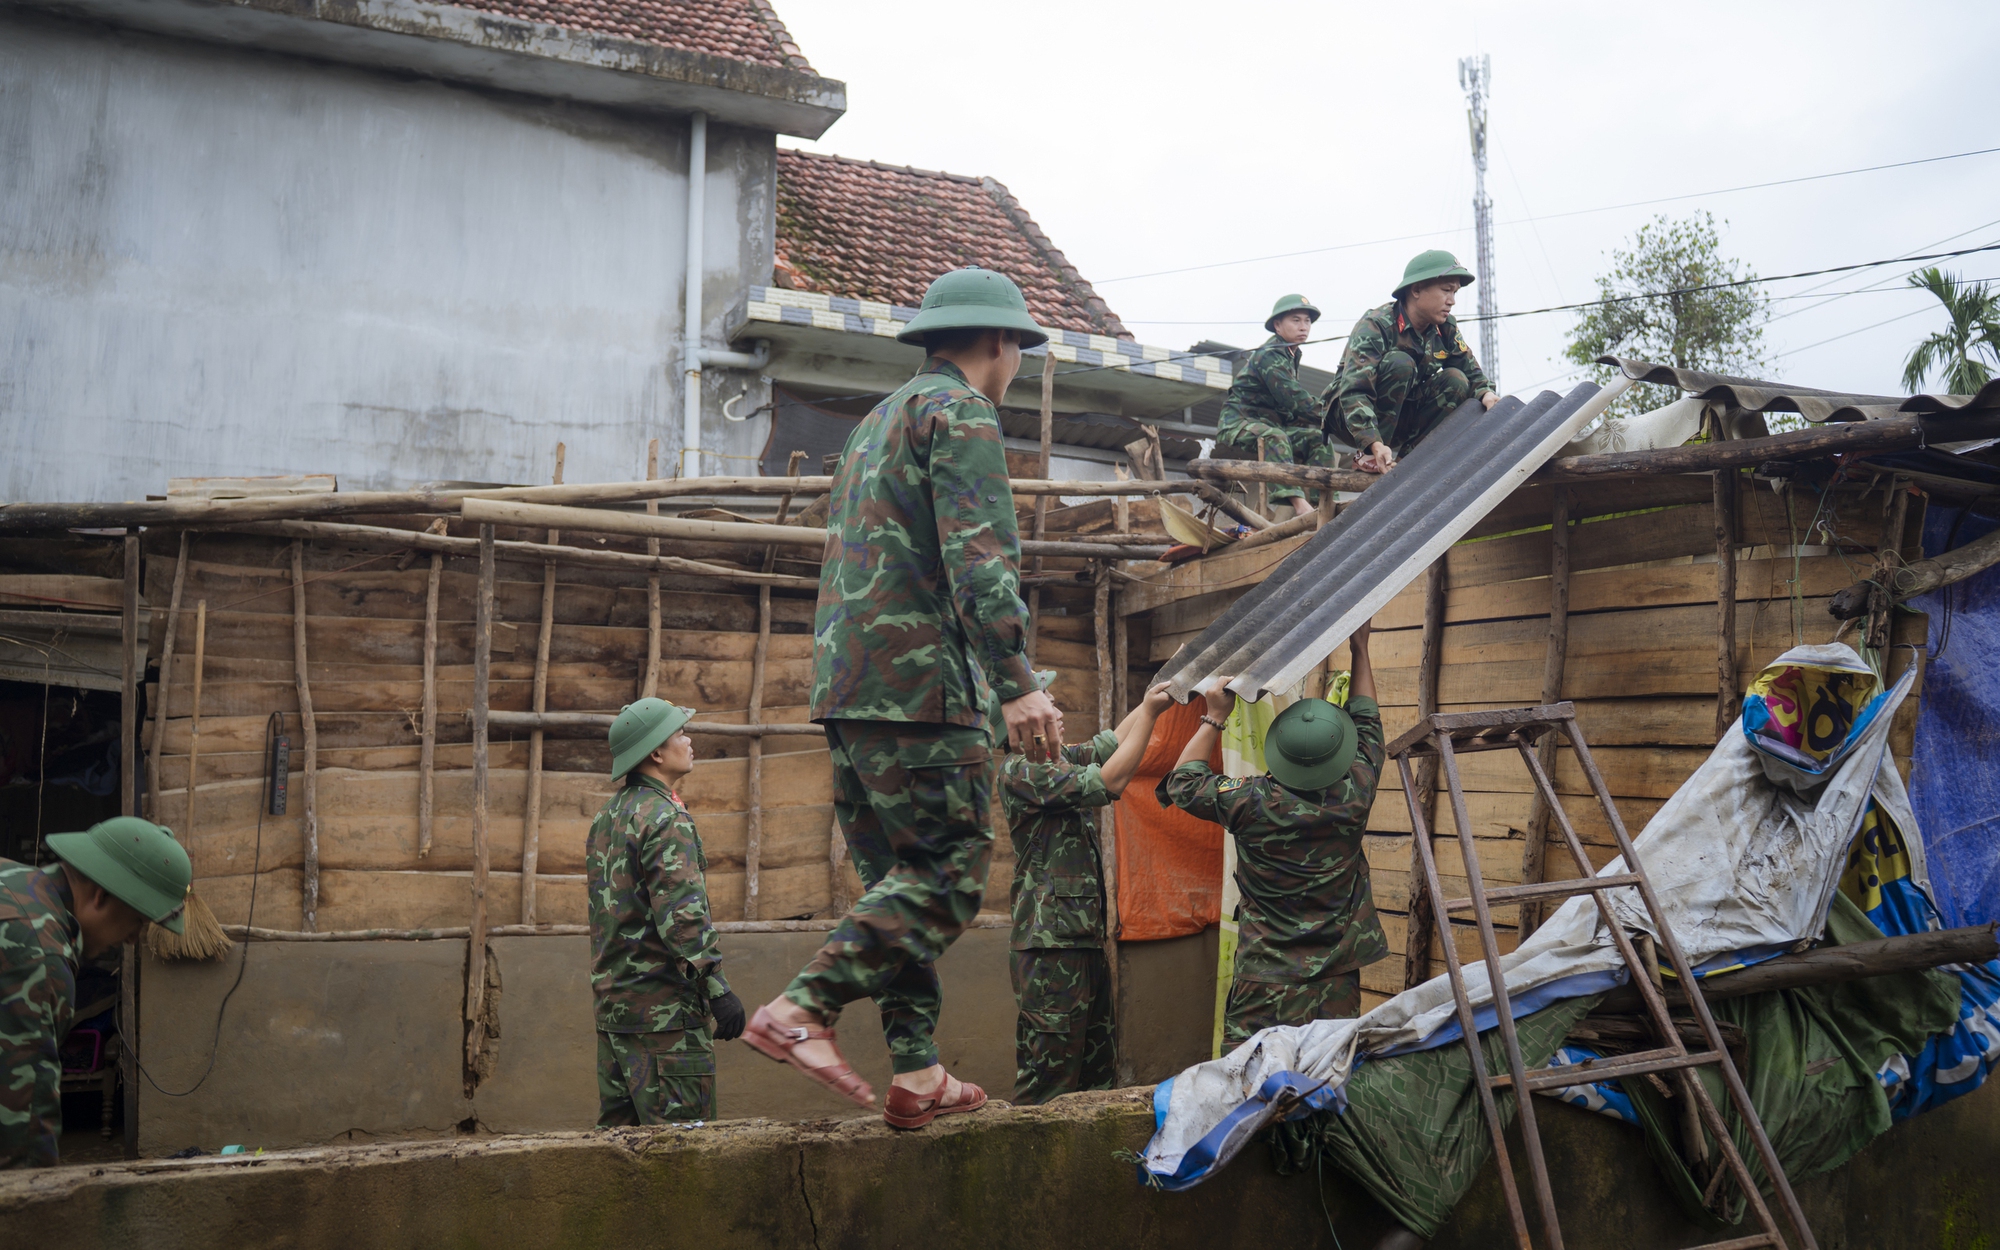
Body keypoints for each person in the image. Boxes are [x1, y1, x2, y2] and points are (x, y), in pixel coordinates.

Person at [745, 266, 1064, 1131]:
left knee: (896, 883)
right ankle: (801, 1008)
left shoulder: (874, 424)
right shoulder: (962, 414)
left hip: (849, 691)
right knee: (949, 874)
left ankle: (917, 1071)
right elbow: (979, 559)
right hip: (921, 688)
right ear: (1003, 344)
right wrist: (1018, 685)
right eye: (1021, 349)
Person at [1159, 623, 1386, 1047]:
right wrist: (1360, 648)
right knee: (1327, 1076)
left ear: (1278, 754)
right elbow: (1368, 720)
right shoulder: (1356, 789)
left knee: (1248, 1081)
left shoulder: (1252, 801)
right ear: (1339, 754)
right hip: (1335, 978)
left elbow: (1183, 784)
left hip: (1266, 978)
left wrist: (1214, 715)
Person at [1001, 681, 1175, 1104]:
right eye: (1047, 706)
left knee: (1094, 1073)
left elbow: (1112, 741)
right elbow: (1110, 782)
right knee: (1050, 1080)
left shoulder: (1058, 759)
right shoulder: (1022, 771)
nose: (1056, 709)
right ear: (1022, 730)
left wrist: (1155, 694)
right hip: (1050, 949)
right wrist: (1152, 714)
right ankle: (1031, 1166)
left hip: (1078, 941)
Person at [588, 697, 744, 1127]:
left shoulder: (609, 816)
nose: (689, 741)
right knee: (683, 1158)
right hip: (666, 1020)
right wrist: (718, 989)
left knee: (619, 1155)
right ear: (656, 751)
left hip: (616, 1016)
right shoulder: (665, 817)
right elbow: (681, 917)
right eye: (680, 733)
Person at [1, 816, 190, 1167]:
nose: (133, 938)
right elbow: (18, 1143)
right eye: (138, 920)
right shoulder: (40, 959)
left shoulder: (10, 878)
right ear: (101, 894)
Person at [1325, 251, 1499, 473]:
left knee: (1456, 380)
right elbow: (1355, 391)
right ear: (1416, 290)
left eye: (1455, 292)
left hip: (1400, 417)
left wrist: (1487, 394)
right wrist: (1372, 442)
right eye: (1446, 290)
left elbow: (1471, 371)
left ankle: (1409, 464)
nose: (1452, 301)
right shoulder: (1376, 325)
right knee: (1401, 363)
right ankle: (1367, 455)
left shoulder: (1445, 328)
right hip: (1350, 419)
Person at [1214, 294, 1335, 518]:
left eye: (1307, 321)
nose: (1303, 326)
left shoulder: (1291, 353)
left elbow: (1288, 408)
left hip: (1269, 423)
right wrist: (1333, 416)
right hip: (1239, 424)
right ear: (1278, 326)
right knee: (1274, 437)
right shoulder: (1271, 354)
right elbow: (1294, 399)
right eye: (1296, 320)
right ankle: (1300, 505)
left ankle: (1326, 503)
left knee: (1319, 439)